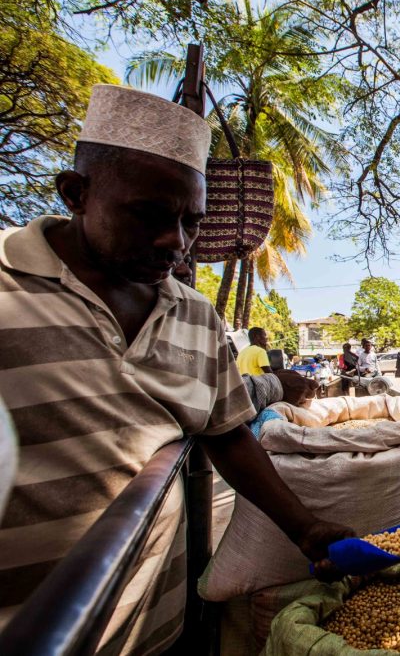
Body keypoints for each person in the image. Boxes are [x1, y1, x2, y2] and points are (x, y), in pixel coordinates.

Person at [0, 84, 349, 653]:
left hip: (155, 628)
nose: (176, 242)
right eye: (149, 215)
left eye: (191, 221)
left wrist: (306, 529)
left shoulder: (194, 313)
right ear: (76, 192)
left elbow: (227, 433)